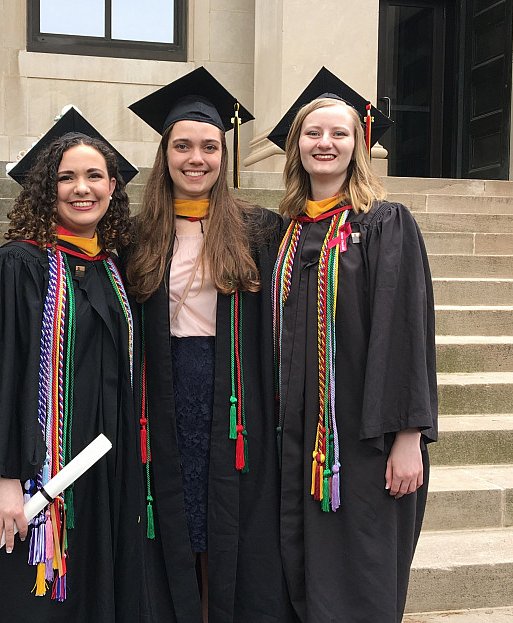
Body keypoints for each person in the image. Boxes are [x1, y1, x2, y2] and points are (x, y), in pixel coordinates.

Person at [0, 107, 141, 622]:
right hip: (27, 477)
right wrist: (2, 479)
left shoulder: (112, 268)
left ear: (112, 187)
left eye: (94, 176)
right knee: (25, 601)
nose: (81, 188)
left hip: (97, 471)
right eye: (66, 177)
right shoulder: (15, 266)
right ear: (46, 189)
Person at [267, 67, 438, 623]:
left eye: (339, 134)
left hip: (363, 444)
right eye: (314, 133)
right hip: (297, 441)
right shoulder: (284, 233)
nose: (326, 143)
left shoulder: (386, 224)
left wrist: (409, 435)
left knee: (360, 578)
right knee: (300, 569)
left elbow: (407, 334)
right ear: (297, 146)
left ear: (359, 146)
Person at [125, 67, 294, 623]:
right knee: (176, 512)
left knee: (223, 514)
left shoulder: (258, 230)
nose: (195, 158)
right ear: (165, 153)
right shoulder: (135, 233)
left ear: (224, 156)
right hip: (162, 390)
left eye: (209, 146)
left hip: (231, 394)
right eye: (183, 146)